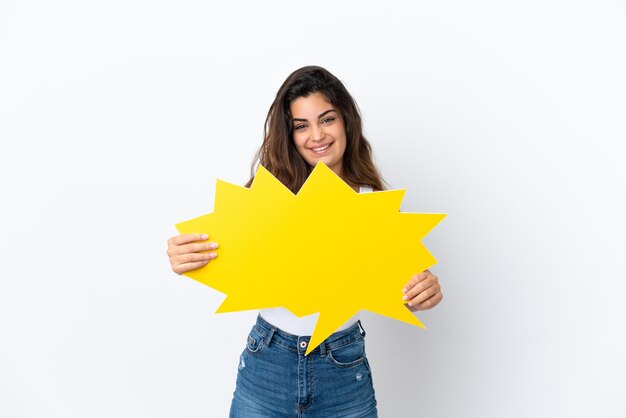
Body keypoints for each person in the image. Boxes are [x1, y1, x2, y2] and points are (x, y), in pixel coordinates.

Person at [166, 66, 443, 417]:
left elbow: (400, 286)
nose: (317, 135)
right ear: (290, 134)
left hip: (343, 369)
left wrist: (423, 291)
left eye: (327, 119)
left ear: (346, 122)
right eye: (301, 125)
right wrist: (182, 256)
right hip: (267, 363)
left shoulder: (372, 202)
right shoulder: (270, 195)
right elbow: (220, 251)